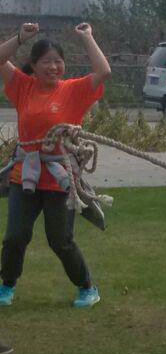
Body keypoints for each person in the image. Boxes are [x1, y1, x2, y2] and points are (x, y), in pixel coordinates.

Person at [0, 21, 111, 307]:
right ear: (33, 66)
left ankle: (87, 288)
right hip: (25, 175)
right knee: (15, 237)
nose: (53, 67)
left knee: (60, 239)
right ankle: (7, 285)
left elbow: (103, 71)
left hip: (60, 177)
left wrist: (87, 37)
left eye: (58, 61)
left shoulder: (73, 90)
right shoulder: (22, 87)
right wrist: (20, 38)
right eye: (46, 62)